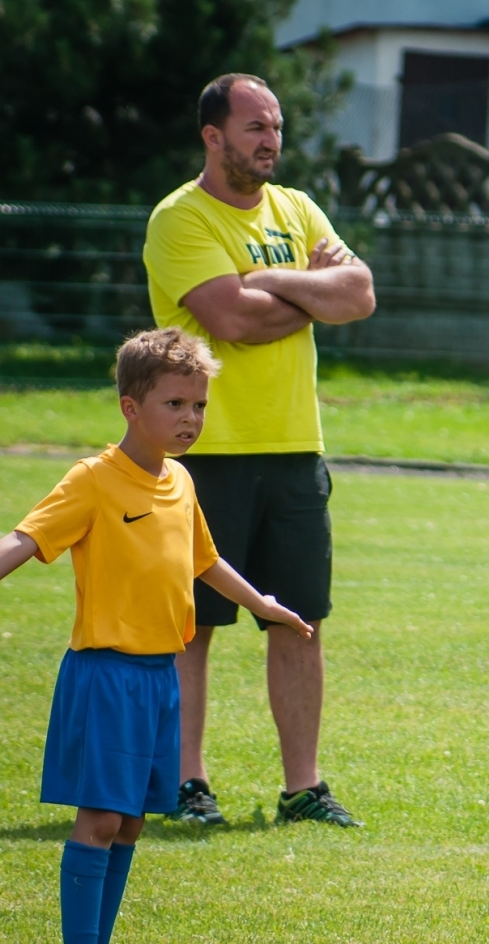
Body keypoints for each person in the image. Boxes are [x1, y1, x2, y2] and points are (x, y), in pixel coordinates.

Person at [0, 329, 312, 944]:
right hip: (105, 674)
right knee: (102, 820)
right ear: (129, 406)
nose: (191, 419)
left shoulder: (180, 481)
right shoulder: (92, 478)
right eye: (175, 404)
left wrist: (262, 602)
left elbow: (204, 559)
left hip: (158, 679)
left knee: (134, 820)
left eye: (199, 405)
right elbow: (25, 539)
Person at [143, 73, 375, 827]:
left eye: (275, 126)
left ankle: (302, 789)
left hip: (294, 449)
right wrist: (309, 294)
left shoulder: (297, 207)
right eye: (254, 128)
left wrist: (270, 279)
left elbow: (360, 294)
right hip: (205, 452)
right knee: (194, 624)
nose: (271, 140)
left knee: (298, 620)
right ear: (213, 136)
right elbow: (230, 321)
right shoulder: (180, 219)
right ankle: (188, 785)